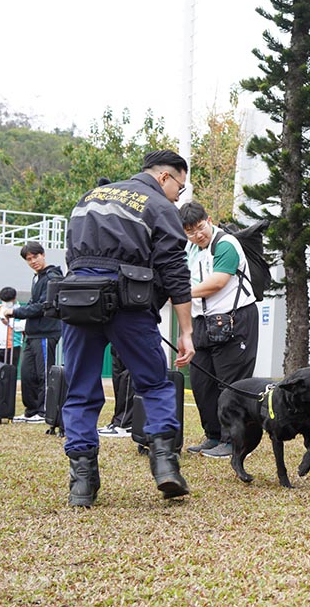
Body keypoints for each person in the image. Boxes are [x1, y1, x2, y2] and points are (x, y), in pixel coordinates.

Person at [57, 149, 195, 507]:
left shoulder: (88, 198)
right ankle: (165, 465)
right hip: (128, 304)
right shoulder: (158, 205)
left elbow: (72, 255)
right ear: (165, 176)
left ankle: (82, 484)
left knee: (80, 391)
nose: (179, 196)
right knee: (154, 383)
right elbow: (175, 270)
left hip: (79, 300)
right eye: (180, 187)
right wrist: (186, 331)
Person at [178, 201, 259, 459]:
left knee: (230, 384)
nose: (197, 234)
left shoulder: (225, 244)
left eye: (200, 227)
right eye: (190, 231)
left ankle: (232, 441)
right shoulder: (189, 250)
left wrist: (180, 293)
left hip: (235, 320)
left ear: (209, 220)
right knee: (203, 383)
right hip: (204, 322)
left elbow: (218, 282)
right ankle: (213, 435)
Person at [0, 242, 63, 423]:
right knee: (27, 374)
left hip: (46, 332)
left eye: (35, 257)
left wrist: (15, 312)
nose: (33, 261)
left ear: (43, 254)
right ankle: (31, 410)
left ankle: (44, 411)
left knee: (44, 374)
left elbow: (42, 306)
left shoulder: (52, 277)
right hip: (32, 333)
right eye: (29, 259)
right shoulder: (37, 277)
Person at [97, 346, 134, 438]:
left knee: (127, 375)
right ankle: (117, 421)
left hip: (133, 336)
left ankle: (125, 424)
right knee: (118, 378)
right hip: (117, 336)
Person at [0, 287, 25, 367]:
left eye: (8, 301)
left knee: (10, 371)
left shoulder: (20, 310)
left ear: (14, 299)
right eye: (4, 301)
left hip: (13, 346)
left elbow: (22, 326)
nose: (6, 303)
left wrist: (9, 322)